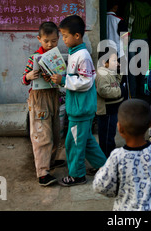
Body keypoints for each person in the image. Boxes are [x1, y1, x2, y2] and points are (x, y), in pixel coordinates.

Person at [50, 15, 107, 187]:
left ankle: (77, 175)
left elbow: (86, 81)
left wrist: (63, 80)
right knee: (87, 141)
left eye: (65, 36)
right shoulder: (75, 53)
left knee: (73, 143)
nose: (63, 40)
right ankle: (105, 167)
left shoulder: (82, 55)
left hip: (80, 109)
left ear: (77, 36)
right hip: (79, 107)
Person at [22, 21, 64, 186]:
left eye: (54, 41)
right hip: (39, 99)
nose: (50, 44)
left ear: (58, 39)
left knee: (55, 132)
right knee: (42, 135)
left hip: (54, 96)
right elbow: (23, 79)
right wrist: (29, 76)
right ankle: (43, 172)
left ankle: (50, 161)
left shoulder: (57, 56)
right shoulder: (34, 57)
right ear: (39, 39)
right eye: (46, 41)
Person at [95, 43, 126, 157]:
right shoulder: (102, 75)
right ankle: (106, 160)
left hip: (112, 110)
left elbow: (116, 82)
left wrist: (120, 71)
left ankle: (108, 156)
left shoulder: (109, 72)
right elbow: (104, 91)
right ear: (104, 62)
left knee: (110, 134)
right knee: (106, 137)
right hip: (106, 112)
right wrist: (120, 91)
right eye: (114, 61)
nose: (117, 63)